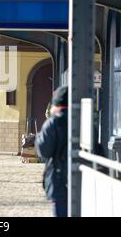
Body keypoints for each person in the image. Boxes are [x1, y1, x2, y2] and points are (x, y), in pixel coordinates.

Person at [35, 86, 68, 217]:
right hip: (83, 181)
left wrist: (39, 137)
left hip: (59, 180)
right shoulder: (84, 120)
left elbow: (44, 151)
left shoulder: (53, 122)